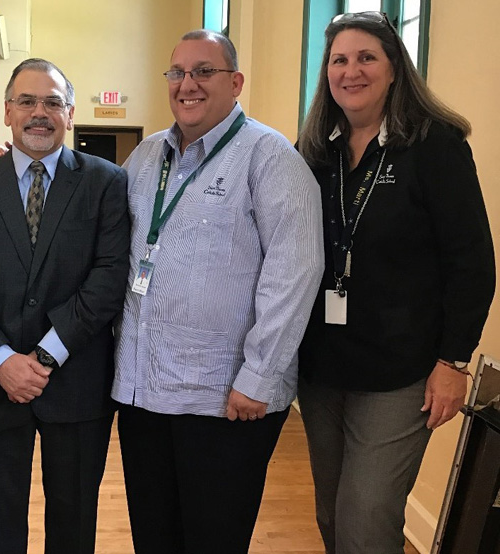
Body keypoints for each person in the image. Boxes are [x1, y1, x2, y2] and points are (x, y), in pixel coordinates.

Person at [111, 30, 324, 553]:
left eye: (203, 71)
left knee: (212, 540)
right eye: (178, 72)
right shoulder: (144, 158)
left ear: (235, 81)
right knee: (154, 539)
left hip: (224, 399)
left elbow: (296, 270)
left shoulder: (269, 158)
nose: (188, 84)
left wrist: (259, 375)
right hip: (143, 393)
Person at [296, 12, 495, 554]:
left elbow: (472, 263)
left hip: (401, 371)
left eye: (367, 58)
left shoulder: (434, 146)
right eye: (340, 59)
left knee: (366, 520)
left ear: (394, 70)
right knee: (331, 517)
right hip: (323, 366)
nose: (351, 71)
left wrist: (454, 362)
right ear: (327, 72)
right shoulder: (315, 151)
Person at [0, 58, 129, 554]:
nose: (39, 112)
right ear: (7, 112)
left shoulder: (107, 183)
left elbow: (109, 279)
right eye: (27, 101)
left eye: (52, 102)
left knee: (74, 522)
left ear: (70, 114)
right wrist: (2, 361)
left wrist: (44, 357)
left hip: (77, 382)